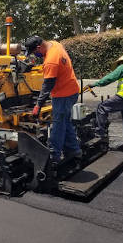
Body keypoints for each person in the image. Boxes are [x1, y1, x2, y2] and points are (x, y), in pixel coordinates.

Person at [25, 36, 81, 165]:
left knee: (58, 125)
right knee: (65, 122)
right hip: (72, 90)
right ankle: (74, 150)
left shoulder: (51, 61)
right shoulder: (55, 44)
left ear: (39, 47)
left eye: (35, 52)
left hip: (63, 95)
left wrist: (38, 106)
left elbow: (47, 86)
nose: (36, 55)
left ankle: (54, 155)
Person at [87, 55, 123, 153]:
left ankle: (100, 134)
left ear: (120, 62)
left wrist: (96, 84)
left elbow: (110, 77)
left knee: (102, 108)